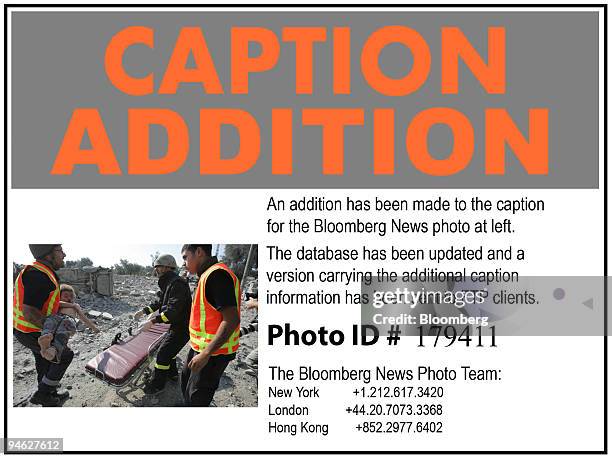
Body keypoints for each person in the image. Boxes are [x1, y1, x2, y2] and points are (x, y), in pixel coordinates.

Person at [13, 244, 74, 406]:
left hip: (25, 329)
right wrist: (55, 329)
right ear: (48, 254)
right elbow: (29, 312)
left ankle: (49, 394)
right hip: (30, 330)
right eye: (60, 250)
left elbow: (42, 302)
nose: (64, 254)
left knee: (44, 359)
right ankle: (43, 393)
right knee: (64, 355)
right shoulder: (39, 275)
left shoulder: (38, 271)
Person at [180, 244, 240, 406]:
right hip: (203, 347)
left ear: (199, 252)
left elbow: (232, 319)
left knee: (198, 396)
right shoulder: (207, 275)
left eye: (185, 257)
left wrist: (206, 353)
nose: (184, 262)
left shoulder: (217, 275)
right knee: (187, 382)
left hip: (213, 353)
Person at [134, 254, 192, 394]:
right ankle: (172, 374)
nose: (156, 270)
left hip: (183, 328)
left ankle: (158, 385)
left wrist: (153, 321)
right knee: (170, 351)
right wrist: (144, 311)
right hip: (178, 325)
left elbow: (173, 311)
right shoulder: (169, 282)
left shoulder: (176, 283)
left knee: (163, 354)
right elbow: (160, 302)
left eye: (158, 267)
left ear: (166, 267)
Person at [38, 284, 100, 362]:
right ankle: (45, 341)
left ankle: (52, 351)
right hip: (55, 317)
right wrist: (72, 305)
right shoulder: (60, 303)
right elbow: (57, 303)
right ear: (59, 296)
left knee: (62, 336)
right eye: (66, 296)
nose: (69, 298)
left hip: (68, 321)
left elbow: (83, 317)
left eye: (71, 296)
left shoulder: (75, 306)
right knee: (49, 324)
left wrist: (93, 327)